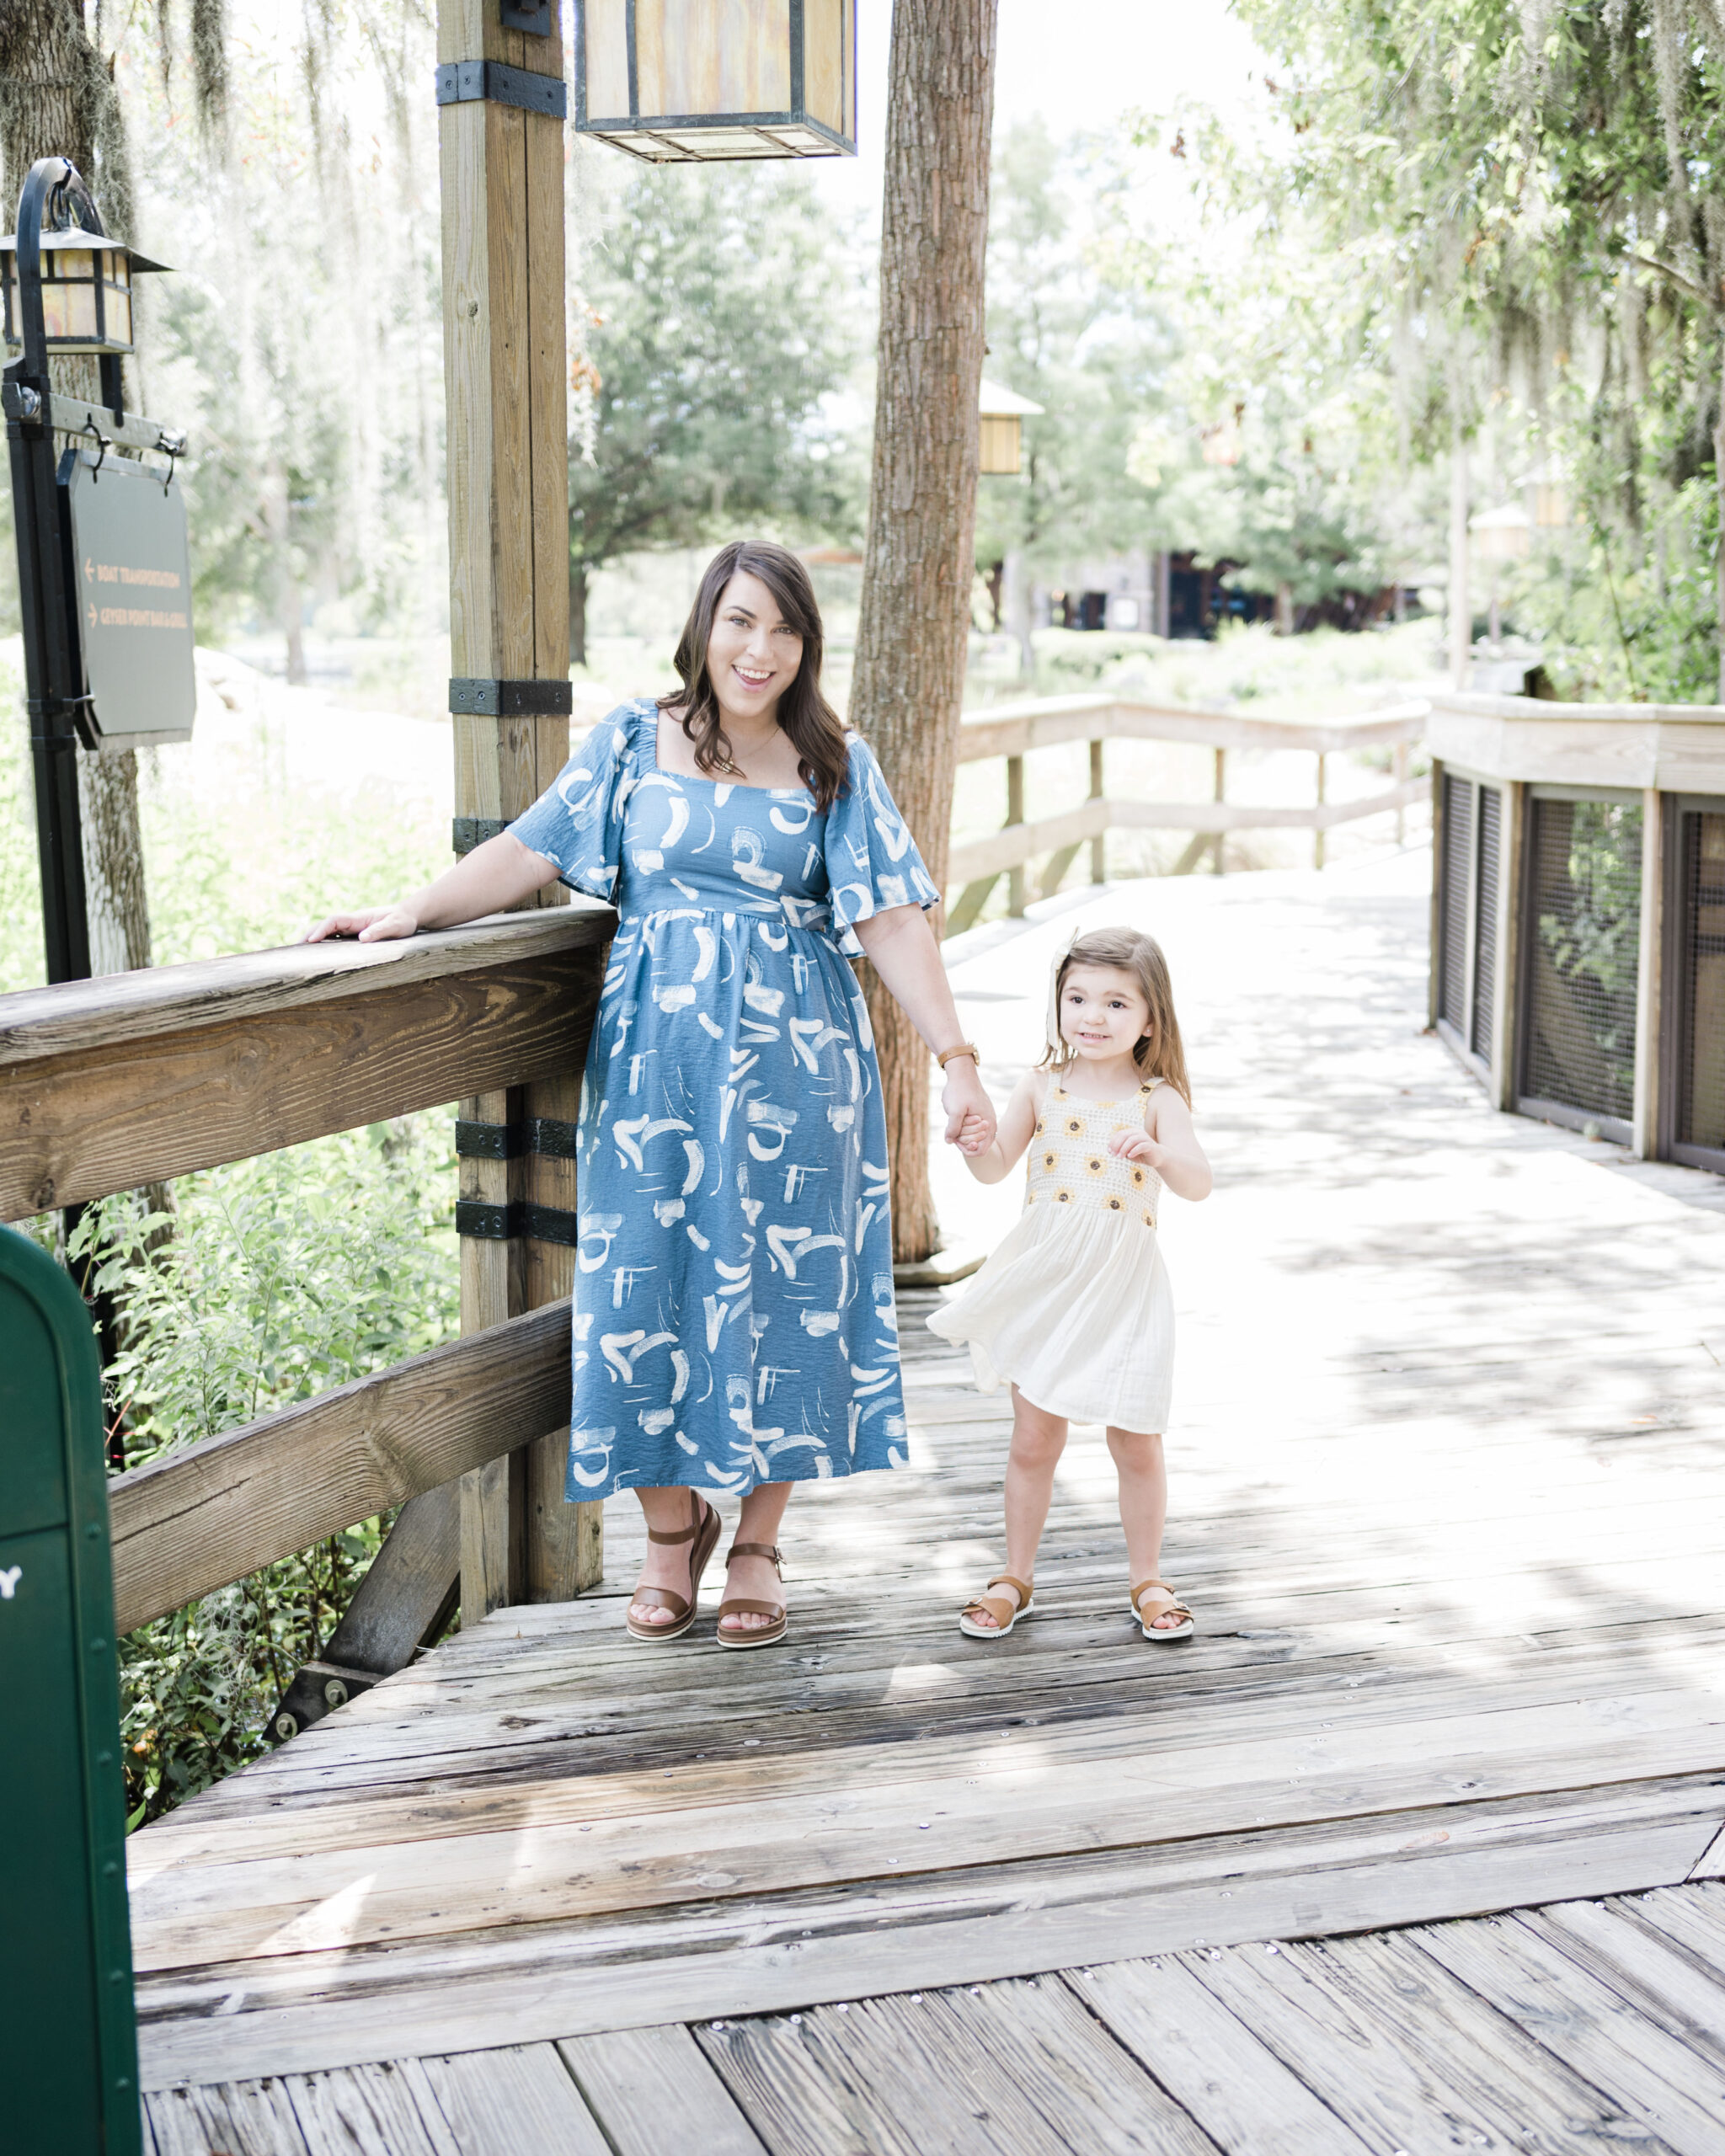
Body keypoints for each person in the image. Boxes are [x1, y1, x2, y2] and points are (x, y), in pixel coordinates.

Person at [305, 539, 996, 1648]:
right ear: (704, 628)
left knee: (783, 1298)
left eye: (783, 629)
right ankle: (673, 1538)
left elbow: (891, 918)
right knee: (643, 1291)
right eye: (740, 622)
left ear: (807, 646)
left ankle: (761, 1540)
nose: (759, 649)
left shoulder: (833, 763)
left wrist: (958, 1058)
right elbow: (533, 847)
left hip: (801, 1070)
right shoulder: (636, 738)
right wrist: (412, 914)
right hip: (654, 1072)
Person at [928, 926, 1211, 1641]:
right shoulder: (1041, 1086)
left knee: (1137, 1440)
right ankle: (1015, 1575)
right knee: (1033, 1438)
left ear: (1152, 1019)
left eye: (1117, 1003)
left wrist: (1160, 1155)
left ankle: (1147, 1577)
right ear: (1057, 1004)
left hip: (1123, 1289)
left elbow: (1199, 1183)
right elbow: (997, 1167)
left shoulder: (1157, 1097)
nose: (1092, 1015)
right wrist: (972, 1143)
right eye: (1077, 997)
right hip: (1049, 1285)